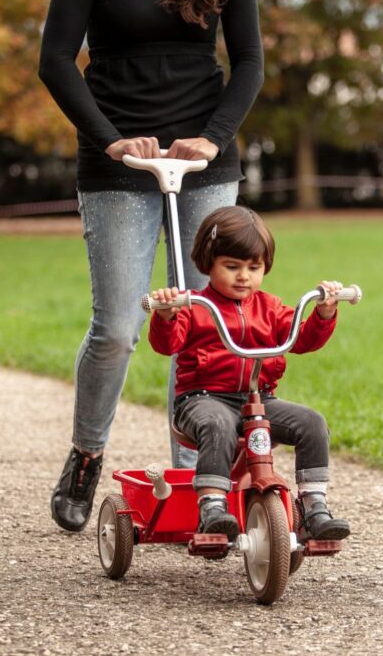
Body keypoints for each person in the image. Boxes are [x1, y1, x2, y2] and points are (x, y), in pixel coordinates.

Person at [38, 0, 264, 532]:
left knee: (201, 323)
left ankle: (198, 479)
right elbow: (56, 61)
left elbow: (250, 62)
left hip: (203, 163)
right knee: (117, 328)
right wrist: (109, 140)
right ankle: (86, 456)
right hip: (118, 163)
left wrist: (213, 138)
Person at [147, 206, 352, 542]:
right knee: (218, 424)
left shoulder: (270, 308)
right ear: (209, 263)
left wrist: (324, 313)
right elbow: (166, 344)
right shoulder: (194, 306)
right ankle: (212, 506)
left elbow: (301, 340)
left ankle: (313, 505)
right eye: (232, 266)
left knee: (312, 423)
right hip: (202, 400)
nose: (243, 276)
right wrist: (167, 315)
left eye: (253, 268)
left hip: (259, 399)